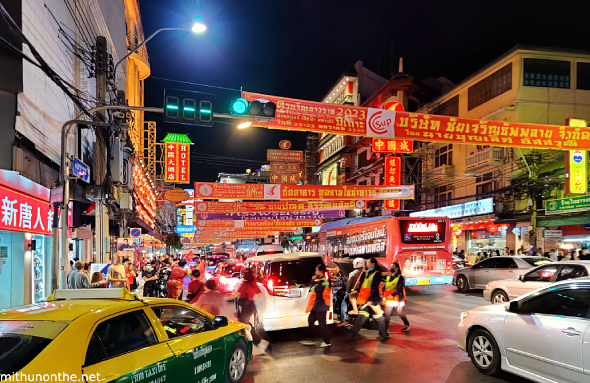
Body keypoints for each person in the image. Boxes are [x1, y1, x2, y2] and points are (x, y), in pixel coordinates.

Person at [225, 267, 268, 351]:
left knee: (244, 324)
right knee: (246, 323)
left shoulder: (244, 284)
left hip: (246, 307)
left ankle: (257, 342)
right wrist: (252, 300)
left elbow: (236, 295)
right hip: (251, 306)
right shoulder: (253, 283)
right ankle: (256, 341)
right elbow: (260, 295)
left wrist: (225, 299)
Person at [346, 257, 388, 341]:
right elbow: (361, 284)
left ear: (373, 264)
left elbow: (374, 288)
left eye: (368, 262)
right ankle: (352, 334)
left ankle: (384, 334)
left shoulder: (376, 274)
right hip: (366, 300)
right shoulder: (367, 273)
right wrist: (363, 272)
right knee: (362, 317)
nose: (367, 264)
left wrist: (370, 300)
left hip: (373, 300)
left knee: (379, 317)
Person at [300, 264, 332, 348]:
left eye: (316, 270)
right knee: (310, 320)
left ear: (320, 271)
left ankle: (327, 341)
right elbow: (312, 289)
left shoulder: (323, 281)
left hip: (321, 306)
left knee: (322, 324)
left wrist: (313, 281)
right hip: (317, 306)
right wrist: (313, 281)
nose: (315, 272)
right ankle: (312, 339)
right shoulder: (320, 280)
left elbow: (315, 290)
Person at [382, 262, 410, 334]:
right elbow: (386, 287)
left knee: (400, 312)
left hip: (398, 298)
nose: (391, 268)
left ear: (397, 268)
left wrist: (393, 294)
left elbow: (400, 288)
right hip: (389, 299)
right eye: (390, 267)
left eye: (393, 267)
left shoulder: (400, 277)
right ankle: (385, 329)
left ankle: (407, 324)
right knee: (387, 314)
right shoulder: (388, 277)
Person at [338, 258, 365, 326]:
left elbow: (348, 284)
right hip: (364, 292)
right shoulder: (366, 273)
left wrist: (347, 291)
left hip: (354, 292)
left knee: (344, 302)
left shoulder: (353, 273)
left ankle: (343, 320)